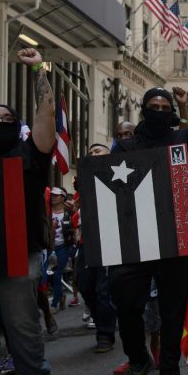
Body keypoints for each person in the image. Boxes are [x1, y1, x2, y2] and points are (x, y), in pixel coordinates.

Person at [108, 49, 188, 375]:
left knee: (172, 313)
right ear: (143, 111)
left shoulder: (183, 141)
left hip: (174, 238)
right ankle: (138, 360)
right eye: (153, 107)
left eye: (165, 108)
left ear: (171, 113)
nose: (160, 111)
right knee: (126, 303)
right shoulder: (124, 146)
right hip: (133, 240)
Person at [0, 48, 55, 375]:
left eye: (5, 117)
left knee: (23, 324)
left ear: (16, 123)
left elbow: (46, 114)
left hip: (18, 253)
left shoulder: (30, 153)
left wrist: (40, 69)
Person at [74, 143, 119, 355]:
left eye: (98, 151)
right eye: (90, 152)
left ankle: (105, 333)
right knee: (84, 284)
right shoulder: (83, 180)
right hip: (87, 242)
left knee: (103, 290)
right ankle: (103, 319)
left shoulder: (117, 178)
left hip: (109, 241)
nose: (93, 154)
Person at [48, 187, 75, 312]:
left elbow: (76, 223)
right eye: (52, 195)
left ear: (62, 197)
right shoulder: (47, 212)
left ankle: (54, 303)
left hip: (62, 248)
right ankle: (61, 295)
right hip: (48, 248)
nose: (53, 197)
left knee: (56, 274)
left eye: (56, 195)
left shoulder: (67, 213)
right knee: (46, 276)